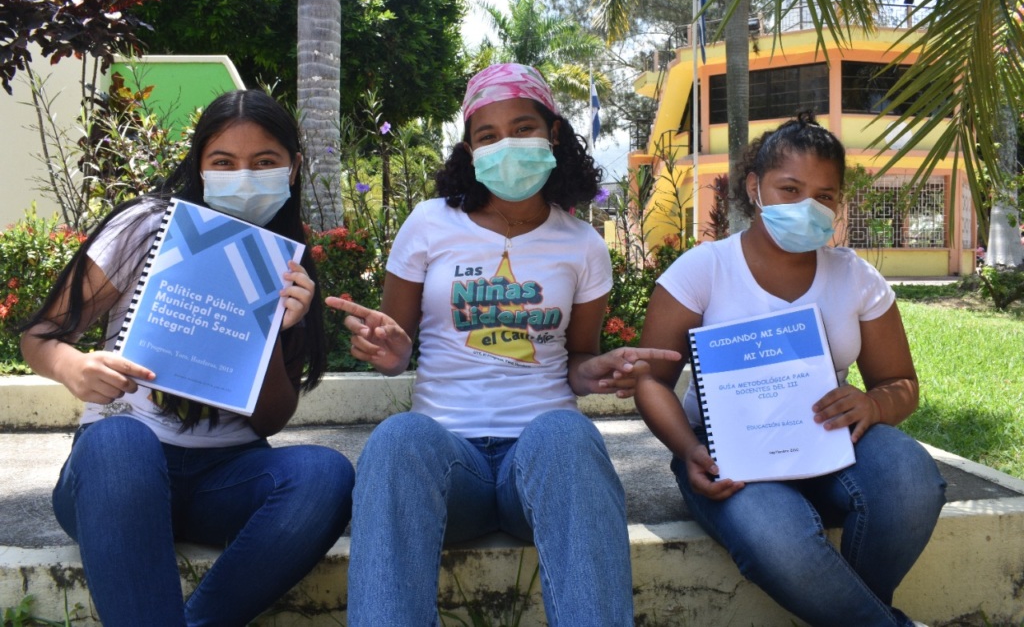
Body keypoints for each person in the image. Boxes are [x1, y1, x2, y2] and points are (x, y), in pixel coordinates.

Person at [327, 62, 679, 626]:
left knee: (568, 432)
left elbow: (577, 361)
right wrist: (391, 353)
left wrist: (598, 372)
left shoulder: (583, 244)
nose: (506, 145)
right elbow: (396, 344)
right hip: (448, 465)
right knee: (397, 438)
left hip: (537, 468)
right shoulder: (428, 224)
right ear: (469, 149)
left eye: (522, 128)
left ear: (553, 135)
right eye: (487, 135)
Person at [20, 89, 355, 627]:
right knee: (120, 439)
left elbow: (269, 420)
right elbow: (39, 336)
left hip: (223, 479)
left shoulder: (289, 262)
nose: (243, 176)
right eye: (223, 162)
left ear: (293, 169)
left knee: (325, 474)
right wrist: (72, 366)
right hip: (116, 474)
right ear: (199, 166)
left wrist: (269, 333)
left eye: (264, 162)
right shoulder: (146, 228)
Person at [634, 113, 946, 627]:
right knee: (777, 536)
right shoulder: (703, 270)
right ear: (755, 188)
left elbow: (901, 384)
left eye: (824, 196)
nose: (808, 206)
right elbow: (651, 378)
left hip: (834, 443)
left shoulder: (854, 277)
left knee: (912, 483)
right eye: (790, 188)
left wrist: (872, 403)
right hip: (728, 454)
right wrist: (688, 450)